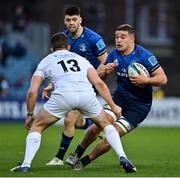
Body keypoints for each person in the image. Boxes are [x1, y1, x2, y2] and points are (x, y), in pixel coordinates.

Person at [10, 32, 136, 173]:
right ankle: (122, 157)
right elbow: (99, 83)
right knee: (106, 124)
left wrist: (29, 114)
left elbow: (32, 92)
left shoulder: (46, 60)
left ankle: (26, 165)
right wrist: (113, 105)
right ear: (68, 47)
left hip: (63, 96)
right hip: (86, 95)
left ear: (51, 49)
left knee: (37, 126)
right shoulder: (81, 59)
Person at [65, 24, 167, 172]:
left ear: (132, 39)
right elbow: (98, 78)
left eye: (123, 37)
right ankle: (76, 154)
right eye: (116, 37)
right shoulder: (113, 54)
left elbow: (163, 79)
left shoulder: (145, 56)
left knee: (112, 136)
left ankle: (84, 161)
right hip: (119, 99)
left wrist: (146, 81)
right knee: (96, 126)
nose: (119, 40)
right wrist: (106, 72)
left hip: (138, 107)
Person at [45, 5, 108, 166]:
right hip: (71, 84)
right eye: (68, 20)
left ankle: (59, 158)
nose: (71, 22)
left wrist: (94, 80)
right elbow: (60, 67)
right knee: (76, 122)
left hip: (89, 83)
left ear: (80, 20)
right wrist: (52, 84)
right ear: (64, 21)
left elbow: (106, 63)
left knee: (69, 119)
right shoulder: (64, 39)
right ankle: (95, 126)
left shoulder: (93, 39)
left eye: (74, 19)